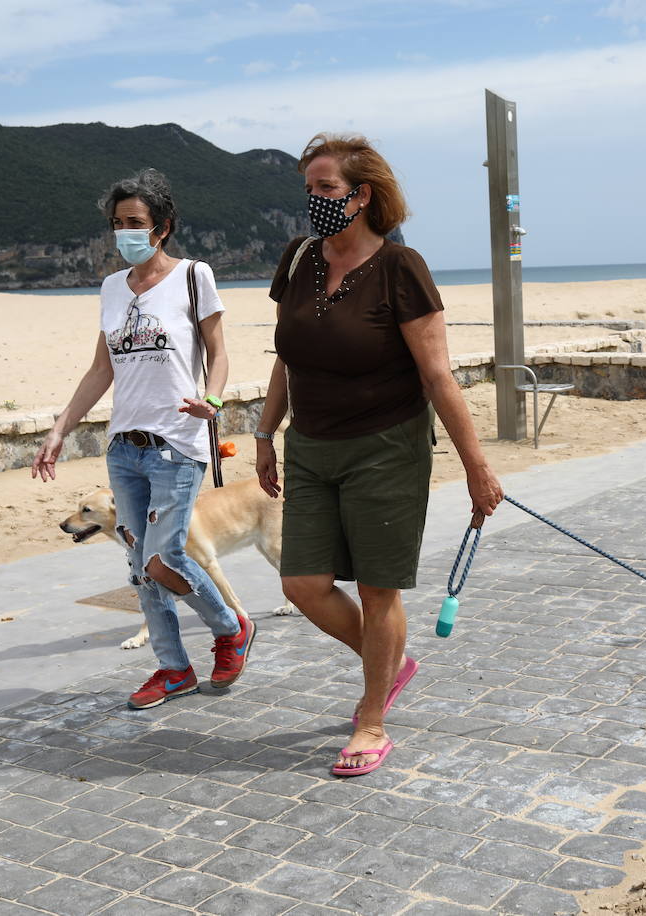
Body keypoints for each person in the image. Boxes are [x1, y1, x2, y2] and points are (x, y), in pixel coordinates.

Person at [254, 134, 503, 776]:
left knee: (376, 589)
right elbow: (288, 355)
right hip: (308, 445)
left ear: (362, 196)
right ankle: (388, 659)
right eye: (309, 188)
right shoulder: (299, 258)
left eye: (327, 189)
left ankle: (371, 719)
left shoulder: (402, 269)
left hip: (386, 448)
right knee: (302, 582)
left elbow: (439, 377)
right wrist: (264, 432)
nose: (315, 200)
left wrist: (478, 467)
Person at [33, 168, 254, 710]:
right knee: (139, 567)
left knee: (164, 557)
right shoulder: (111, 288)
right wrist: (61, 426)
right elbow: (99, 369)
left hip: (176, 441)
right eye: (117, 223)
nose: (124, 232)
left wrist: (216, 399)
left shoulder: (194, 276)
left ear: (162, 227)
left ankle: (230, 629)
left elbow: (218, 352)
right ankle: (173, 669)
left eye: (135, 222)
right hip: (123, 448)